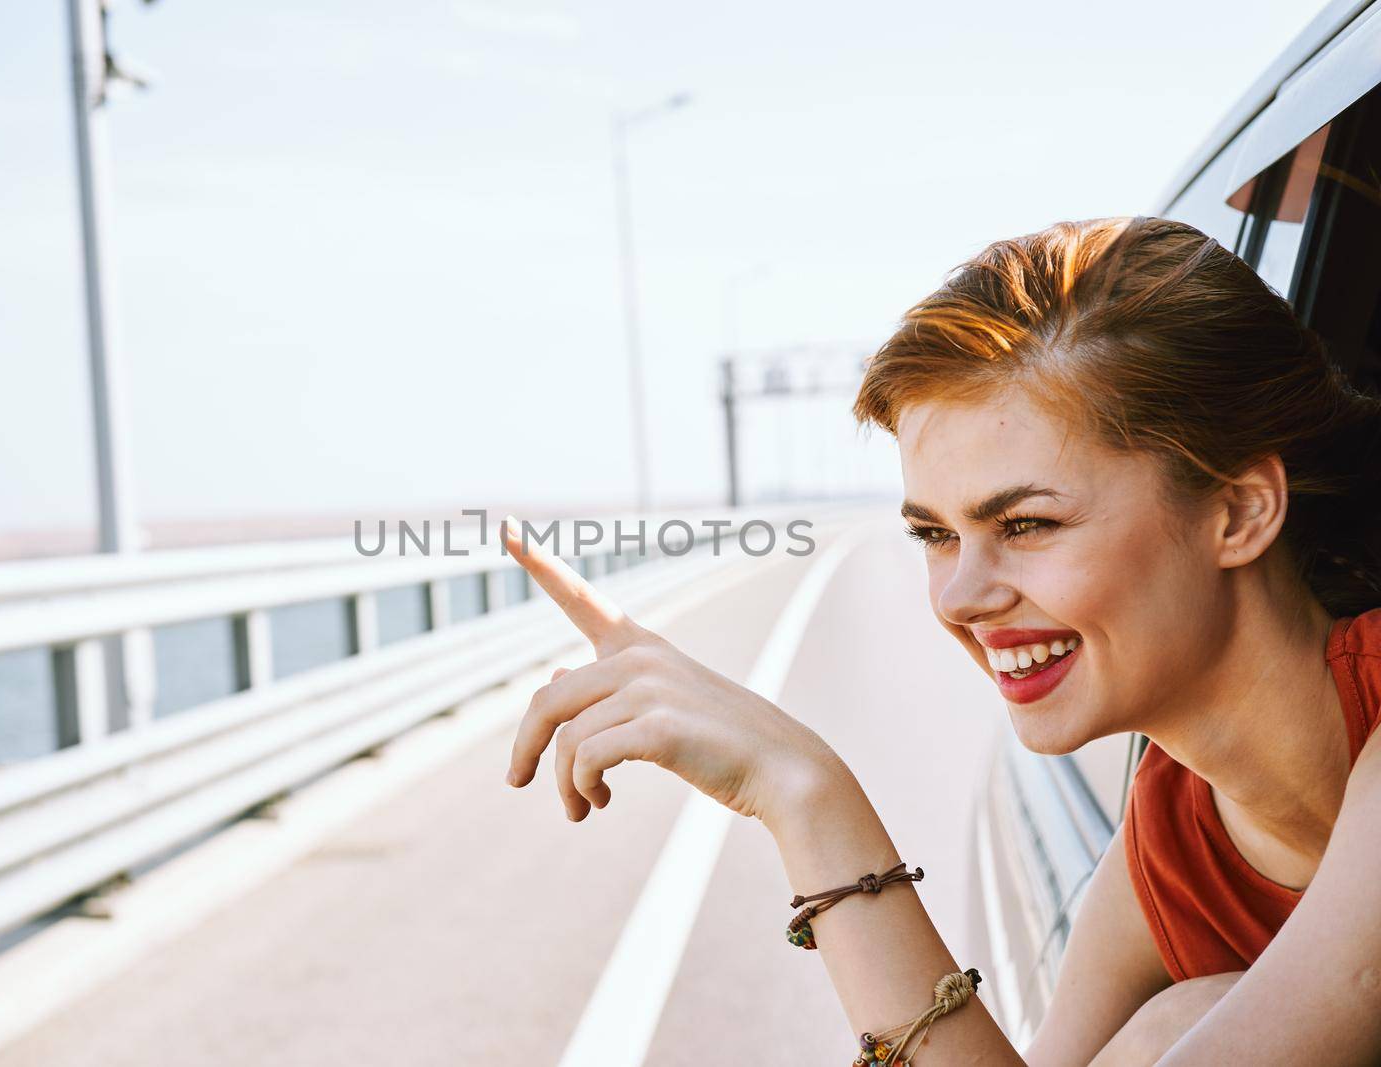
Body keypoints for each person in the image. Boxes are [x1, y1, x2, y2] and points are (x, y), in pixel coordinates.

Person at [499, 216, 1381, 1065]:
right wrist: (803, 790)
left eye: (1029, 523)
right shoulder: (1168, 831)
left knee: (1175, 1025)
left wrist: (806, 793)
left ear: (1240, 510)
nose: (961, 596)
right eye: (935, 534)